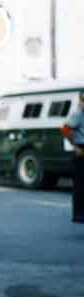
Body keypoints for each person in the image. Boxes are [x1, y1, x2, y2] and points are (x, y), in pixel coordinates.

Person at [63, 93, 84, 223]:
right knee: (80, 184)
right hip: (81, 149)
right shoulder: (78, 113)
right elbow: (65, 129)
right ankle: (79, 214)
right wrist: (75, 147)